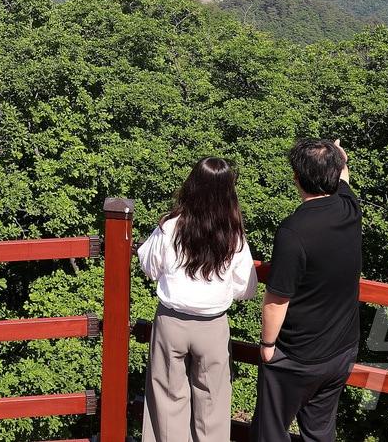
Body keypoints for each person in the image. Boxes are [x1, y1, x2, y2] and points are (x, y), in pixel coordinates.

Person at [138, 157, 258, 442]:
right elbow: (247, 287)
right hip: (213, 326)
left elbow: (149, 266)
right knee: (212, 406)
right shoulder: (233, 234)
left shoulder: (171, 226)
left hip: (171, 322)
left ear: (192, 185)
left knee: (167, 403)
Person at [255, 138, 362, 442]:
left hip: (298, 355)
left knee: (270, 432)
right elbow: (344, 178)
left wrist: (267, 345)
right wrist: (340, 157)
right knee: (319, 432)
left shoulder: (293, 230)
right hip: (341, 350)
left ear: (296, 178)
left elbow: (277, 298)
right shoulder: (349, 208)